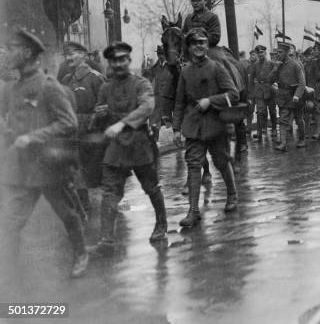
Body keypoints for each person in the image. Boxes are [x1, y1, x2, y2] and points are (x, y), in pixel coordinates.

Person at [0, 29, 88, 279]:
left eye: (14, 48)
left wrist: (32, 137)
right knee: (11, 221)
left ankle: (81, 253)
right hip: (22, 168)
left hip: (50, 165)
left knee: (68, 215)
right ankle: (10, 274)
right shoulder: (13, 88)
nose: (8, 53)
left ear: (27, 53)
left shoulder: (49, 87)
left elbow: (69, 123)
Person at [89, 41, 167, 256]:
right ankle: (106, 240)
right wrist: (100, 115)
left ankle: (161, 224)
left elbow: (147, 108)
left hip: (139, 142)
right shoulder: (105, 87)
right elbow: (100, 117)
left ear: (129, 60)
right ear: (110, 63)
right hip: (116, 148)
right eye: (115, 60)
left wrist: (122, 123)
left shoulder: (141, 84)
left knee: (151, 187)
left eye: (122, 59)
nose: (119, 63)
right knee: (110, 191)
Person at [173, 28, 239, 227]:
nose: (199, 47)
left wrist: (210, 101)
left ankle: (232, 194)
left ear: (207, 45)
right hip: (193, 125)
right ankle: (193, 211)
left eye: (202, 42)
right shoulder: (185, 71)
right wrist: (176, 128)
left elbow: (233, 94)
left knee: (221, 161)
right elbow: (179, 102)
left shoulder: (217, 67)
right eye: (194, 44)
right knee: (193, 165)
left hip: (215, 123)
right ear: (189, 48)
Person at [59, 41, 106, 207]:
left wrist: (95, 118)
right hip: (73, 133)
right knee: (75, 170)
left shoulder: (96, 78)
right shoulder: (65, 80)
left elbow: (105, 105)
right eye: (66, 55)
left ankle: (104, 215)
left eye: (72, 53)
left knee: (95, 173)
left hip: (93, 134)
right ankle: (83, 206)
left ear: (84, 55)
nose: (68, 57)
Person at [270, 41, 306, 151]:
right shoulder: (278, 65)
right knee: (283, 119)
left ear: (286, 52)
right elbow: (269, 80)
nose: (278, 54)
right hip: (283, 97)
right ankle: (283, 143)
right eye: (277, 52)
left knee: (299, 118)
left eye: (280, 52)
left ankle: (302, 139)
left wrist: (297, 95)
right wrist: (275, 68)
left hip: (294, 96)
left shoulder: (295, 64)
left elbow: (302, 82)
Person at [248, 45, 277, 141]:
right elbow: (251, 80)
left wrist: (272, 85)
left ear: (265, 53)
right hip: (259, 91)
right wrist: (251, 94)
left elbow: (276, 77)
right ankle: (259, 133)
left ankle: (274, 129)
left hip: (270, 90)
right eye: (258, 53)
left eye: (262, 52)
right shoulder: (254, 65)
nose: (260, 55)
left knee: (272, 110)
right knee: (260, 111)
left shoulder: (271, 63)